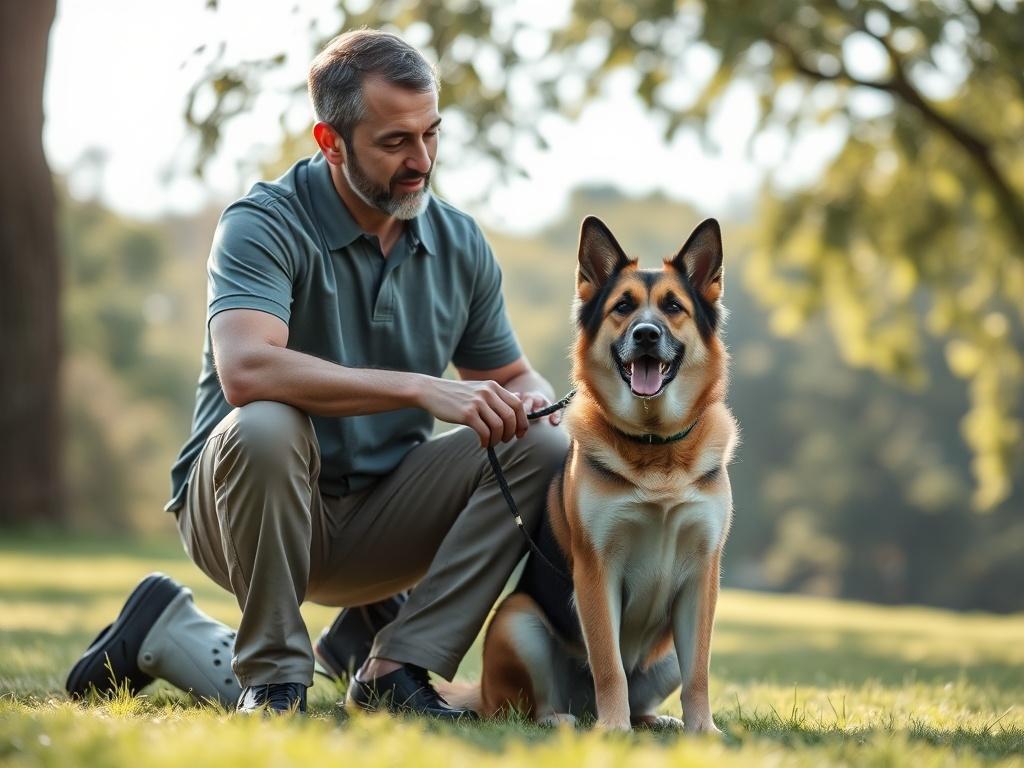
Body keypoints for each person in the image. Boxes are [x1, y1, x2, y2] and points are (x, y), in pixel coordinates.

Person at [66, 29, 567, 717]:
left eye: (431, 135)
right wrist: (423, 387)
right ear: (330, 142)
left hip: (383, 512)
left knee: (542, 444)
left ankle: (395, 666)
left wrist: (538, 404)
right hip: (248, 505)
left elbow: (514, 375)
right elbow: (245, 369)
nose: (421, 161)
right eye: (395, 142)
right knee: (267, 424)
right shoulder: (263, 222)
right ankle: (274, 678)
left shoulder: (459, 241)